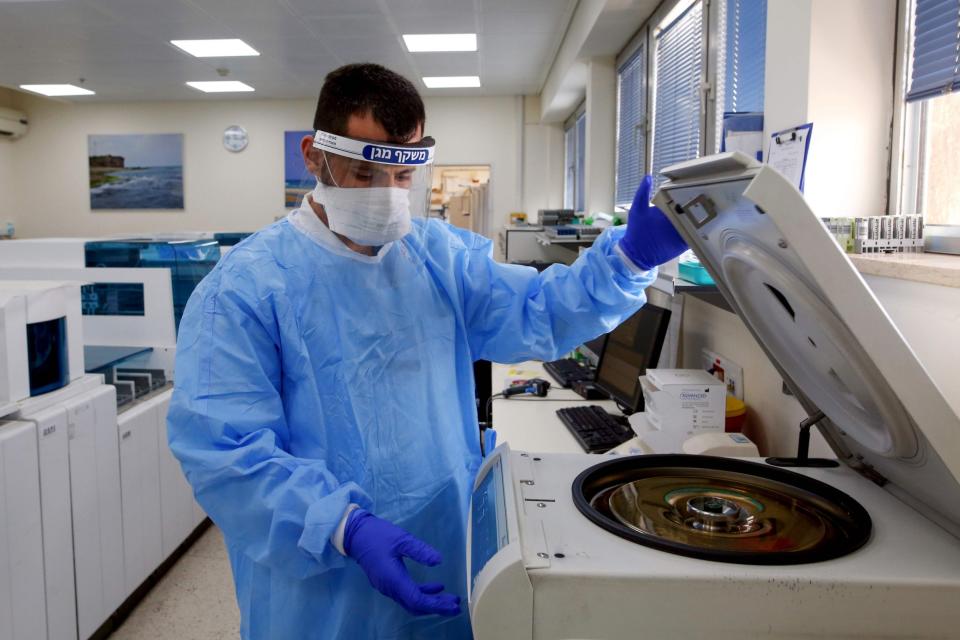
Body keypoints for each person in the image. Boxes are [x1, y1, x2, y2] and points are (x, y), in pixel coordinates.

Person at [167, 62, 687, 640]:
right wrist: (344, 526)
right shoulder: (245, 288)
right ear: (314, 156)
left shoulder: (438, 258)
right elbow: (225, 453)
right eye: (366, 172)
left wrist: (631, 258)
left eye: (403, 176)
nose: (387, 196)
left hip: (442, 545)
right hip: (323, 585)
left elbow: (537, 311)